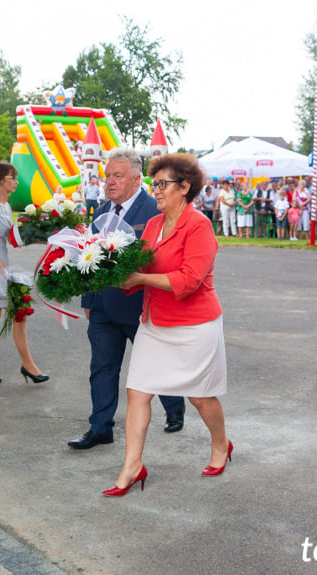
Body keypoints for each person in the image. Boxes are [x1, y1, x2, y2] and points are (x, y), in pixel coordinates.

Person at [103, 152, 230, 497]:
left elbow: (189, 280)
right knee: (138, 392)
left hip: (194, 325)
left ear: (185, 187)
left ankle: (221, 444)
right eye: (154, 184)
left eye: (162, 184)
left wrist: (140, 277)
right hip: (155, 322)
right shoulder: (155, 225)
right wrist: (103, 262)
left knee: (200, 397)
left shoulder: (199, 225)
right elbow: (136, 262)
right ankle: (132, 466)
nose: (155, 190)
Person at [69, 149, 185, 450]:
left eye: (117, 176)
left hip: (140, 307)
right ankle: (100, 427)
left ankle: (174, 407)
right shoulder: (102, 212)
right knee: (102, 368)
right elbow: (90, 257)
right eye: (107, 176)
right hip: (103, 307)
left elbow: (164, 260)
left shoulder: (154, 210)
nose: (109, 182)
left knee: (155, 364)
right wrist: (88, 298)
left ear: (136, 179)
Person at [0, 162, 47, 384]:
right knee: (17, 314)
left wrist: (41, 238)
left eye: (16, 178)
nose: (16, 181)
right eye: (12, 178)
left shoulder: (5, 206)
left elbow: (9, 238)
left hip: (2, 267)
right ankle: (28, 366)